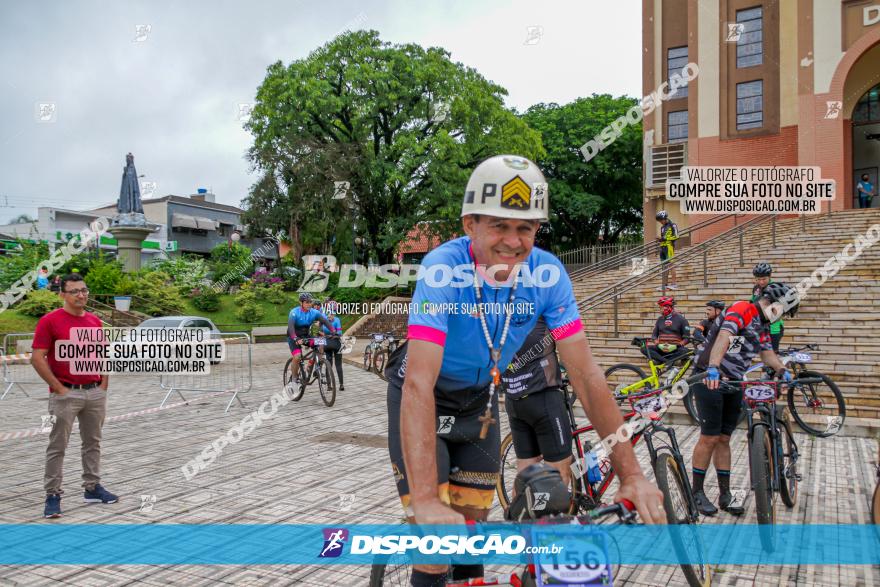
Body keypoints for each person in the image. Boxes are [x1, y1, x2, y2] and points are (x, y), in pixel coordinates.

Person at [383, 155, 665, 587]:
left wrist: (632, 475)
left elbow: (588, 377)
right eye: (499, 225)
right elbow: (420, 381)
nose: (513, 242)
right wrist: (424, 500)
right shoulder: (442, 269)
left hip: (477, 402)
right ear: (469, 224)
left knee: (471, 528)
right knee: (437, 542)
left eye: (525, 229)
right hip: (421, 396)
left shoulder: (548, 275)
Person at [690, 282, 798, 516]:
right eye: (783, 312)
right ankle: (696, 493)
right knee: (709, 438)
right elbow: (724, 336)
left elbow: (767, 354)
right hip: (709, 378)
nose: (782, 318)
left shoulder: (764, 326)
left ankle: (725, 494)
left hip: (734, 381)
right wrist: (713, 368)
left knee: (723, 439)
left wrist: (781, 370)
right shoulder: (743, 309)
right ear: (774, 305)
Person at [30, 274, 117, 519]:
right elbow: (37, 358)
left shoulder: (94, 322)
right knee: (58, 446)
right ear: (62, 295)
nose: (81, 295)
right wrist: (58, 388)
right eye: (75, 291)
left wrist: (104, 383)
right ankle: (53, 495)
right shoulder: (50, 321)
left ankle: (92, 488)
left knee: (93, 443)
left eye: (84, 290)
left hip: (94, 392)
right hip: (66, 393)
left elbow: (101, 354)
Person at [500, 318, 571, 489]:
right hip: (543, 398)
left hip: (514, 401)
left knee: (525, 472)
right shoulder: (541, 308)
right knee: (559, 475)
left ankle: (518, 513)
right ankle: (549, 514)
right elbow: (570, 345)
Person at [287, 292, 335, 392]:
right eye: (307, 302)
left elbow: (325, 321)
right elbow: (291, 328)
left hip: (306, 336)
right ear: (301, 303)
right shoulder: (294, 312)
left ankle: (318, 365)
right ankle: (294, 380)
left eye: (310, 302)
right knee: (297, 356)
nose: (309, 304)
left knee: (320, 343)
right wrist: (295, 338)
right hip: (293, 337)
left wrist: (334, 332)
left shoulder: (314, 312)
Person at [643, 296, 690, 364]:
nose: (660, 309)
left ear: (667, 307)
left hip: (675, 349)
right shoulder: (659, 319)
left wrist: (675, 346)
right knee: (644, 349)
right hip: (661, 348)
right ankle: (667, 361)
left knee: (686, 351)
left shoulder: (682, 319)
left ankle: (659, 360)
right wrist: (658, 344)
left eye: (661, 307)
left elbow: (687, 338)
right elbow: (654, 336)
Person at [750, 262, 784, 352]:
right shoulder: (756, 288)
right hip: (758, 325)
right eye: (758, 279)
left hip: (773, 328)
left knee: (771, 355)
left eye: (764, 279)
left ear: (770, 276)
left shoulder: (775, 289)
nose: (761, 282)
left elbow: (776, 314)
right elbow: (751, 303)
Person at [322, 307, 345, 391]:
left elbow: (321, 332)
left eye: (331, 314)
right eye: (330, 314)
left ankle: (329, 386)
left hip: (327, 344)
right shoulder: (337, 320)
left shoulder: (324, 320)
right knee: (338, 364)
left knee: (329, 364)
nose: (330, 316)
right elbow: (339, 333)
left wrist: (326, 335)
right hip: (336, 343)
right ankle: (341, 384)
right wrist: (333, 335)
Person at [656, 210, 678, 290]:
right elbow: (663, 238)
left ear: (664, 218)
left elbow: (676, 236)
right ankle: (664, 284)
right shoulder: (662, 227)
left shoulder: (673, 225)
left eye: (660, 220)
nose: (660, 222)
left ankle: (674, 283)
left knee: (671, 265)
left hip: (669, 247)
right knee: (664, 266)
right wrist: (660, 239)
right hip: (662, 248)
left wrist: (664, 238)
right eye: (659, 221)